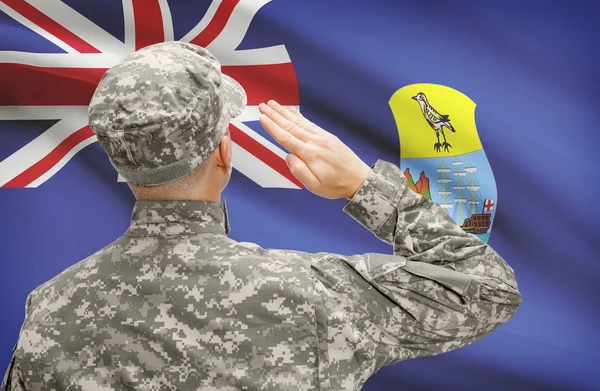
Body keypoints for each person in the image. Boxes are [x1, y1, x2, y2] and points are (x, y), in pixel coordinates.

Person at [1, 41, 522, 391]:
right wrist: (365, 186)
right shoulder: (317, 295)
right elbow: (487, 289)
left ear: (120, 158)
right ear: (224, 154)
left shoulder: (50, 309)